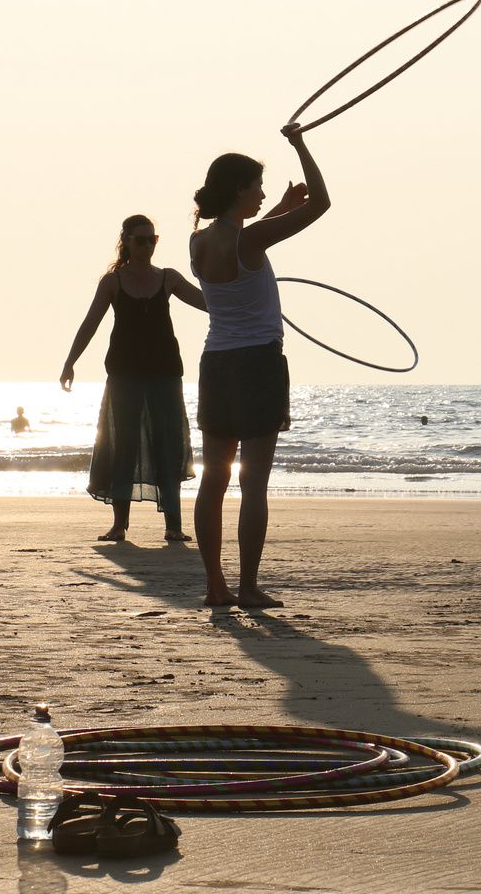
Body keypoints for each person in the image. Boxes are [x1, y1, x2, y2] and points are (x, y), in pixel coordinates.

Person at [189, 125, 328, 607]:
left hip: (216, 364)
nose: (263, 194)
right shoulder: (250, 241)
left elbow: (245, 237)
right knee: (253, 483)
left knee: (214, 480)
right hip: (257, 364)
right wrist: (300, 143)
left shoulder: (199, 242)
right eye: (257, 187)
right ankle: (248, 587)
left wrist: (279, 210)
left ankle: (216, 586)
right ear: (238, 190)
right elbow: (323, 203)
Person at [61, 214, 206, 543]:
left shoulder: (168, 278)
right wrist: (70, 362)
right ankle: (119, 525)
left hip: (165, 371)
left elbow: (208, 302)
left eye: (151, 239)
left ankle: (173, 525)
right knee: (123, 444)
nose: (146, 246)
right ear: (125, 241)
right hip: (124, 371)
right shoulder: (113, 281)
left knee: (166, 444)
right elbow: (90, 324)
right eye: (139, 240)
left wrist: (239, 292)